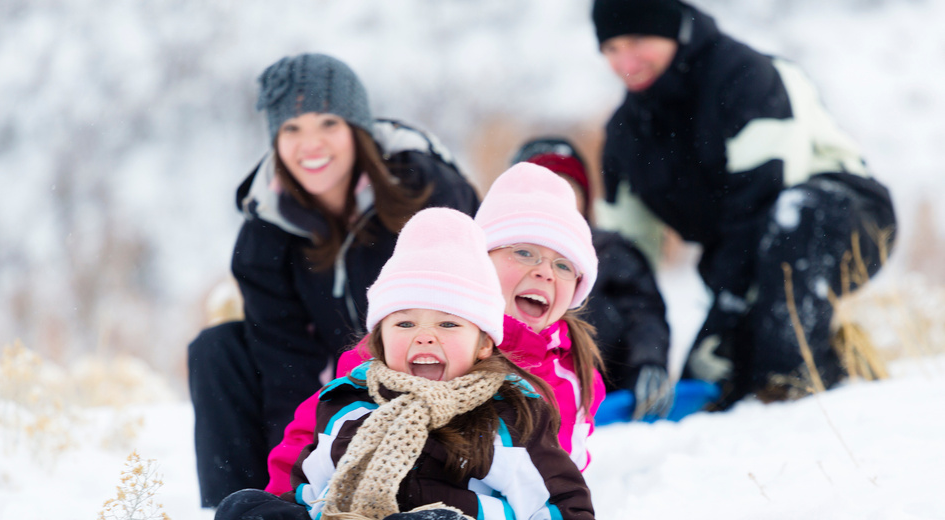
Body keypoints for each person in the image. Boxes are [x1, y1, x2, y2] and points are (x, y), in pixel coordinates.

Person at [207, 208, 600, 520]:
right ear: (379, 337)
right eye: (405, 322)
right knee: (247, 508)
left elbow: (566, 518)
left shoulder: (510, 414)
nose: (425, 336)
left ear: (484, 342)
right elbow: (305, 494)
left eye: (448, 323)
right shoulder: (347, 405)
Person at [188, 53, 480, 509]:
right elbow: (282, 357)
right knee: (217, 349)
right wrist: (292, 473)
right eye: (291, 129)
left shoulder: (426, 189)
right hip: (333, 377)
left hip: (428, 365)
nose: (311, 145)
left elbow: (473, 304)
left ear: (357, 128)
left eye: (327, 123)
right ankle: (242, 511)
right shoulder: (266, 229)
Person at [590, 0, 896, 408]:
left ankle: (806, 393)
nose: (624, 60)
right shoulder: (626, 135)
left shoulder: (743, 75)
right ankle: (817, 362)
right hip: (742, 255)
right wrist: (635, 355)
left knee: (793, 229)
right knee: (710, 381)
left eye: (638, 40)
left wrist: (727, 310)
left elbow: (765, 198)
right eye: (611, 48)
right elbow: (625, 257)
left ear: (673, 30)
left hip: (840, 218)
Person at [263, 161, 607, 493]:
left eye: (563, 265)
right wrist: (283, 504)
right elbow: (314, 432)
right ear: (481, 262)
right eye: (524, 252)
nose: (545, 272)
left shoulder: (576, 373)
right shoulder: (412, 339)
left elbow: (565, 480)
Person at [511, 136, 672, 419]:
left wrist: (648, 361)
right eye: (545, 192)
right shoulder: (499, 256)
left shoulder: (611, 251)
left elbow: (643, 314)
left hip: (606, 392)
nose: (558, 204)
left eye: (568, 191)